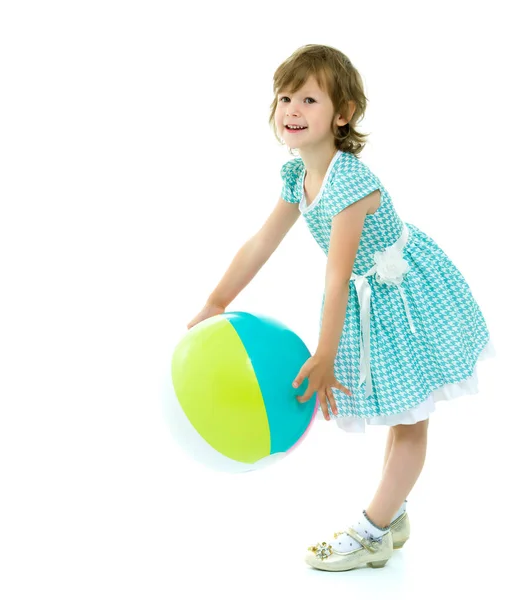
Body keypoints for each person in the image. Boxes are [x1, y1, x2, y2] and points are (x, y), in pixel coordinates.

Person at [186, 44, 496, 572]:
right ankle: (391, 514)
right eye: (286, 97)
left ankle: (372, 531)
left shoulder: (348, 182)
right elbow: (262, 242)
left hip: (406, 297)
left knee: (412, 418)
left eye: (309, 98)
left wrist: (327, 352)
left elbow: (336, 272)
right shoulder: (296, 178)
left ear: (343, 115)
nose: (293, 109)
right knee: (405, 414)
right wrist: (217, 300)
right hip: (371, 296)